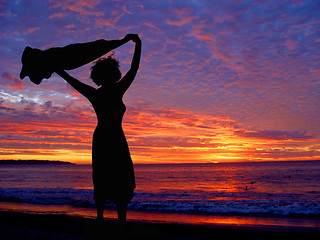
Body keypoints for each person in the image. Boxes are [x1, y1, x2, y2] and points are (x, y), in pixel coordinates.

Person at [56, 34, 141, 224]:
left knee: (104, 176)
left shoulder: (95, 94)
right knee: (119, 177)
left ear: (98, 76)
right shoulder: (118, 90)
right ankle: (119, 223)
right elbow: (135, 68)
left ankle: (101, 219)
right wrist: (138, 45)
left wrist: (58, 69)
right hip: (115, 137)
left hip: (103, 137)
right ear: (114, 74)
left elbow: (71, 79)